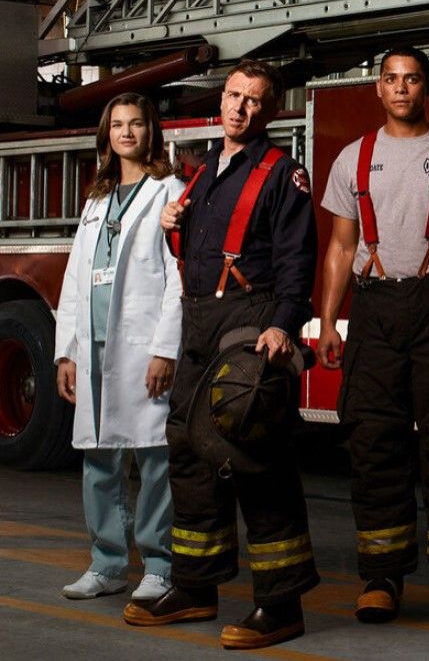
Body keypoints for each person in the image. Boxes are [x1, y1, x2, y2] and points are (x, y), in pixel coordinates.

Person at [126, 58, 320, 651]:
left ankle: (280, 603)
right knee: (187, 450)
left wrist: (284, 326)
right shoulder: (207, 170)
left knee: (254, 455)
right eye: (235, 95)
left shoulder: (282, 174)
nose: (241, 108)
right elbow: (199, 251)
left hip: (250, 323)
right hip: (198, 322)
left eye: (254, 100)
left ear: (270, 110)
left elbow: (297, 261)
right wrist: (169, 226)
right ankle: (195, 587)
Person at [316, 47, 429, 625]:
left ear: (428, 89)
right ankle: (382, 577)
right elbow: (341, 247)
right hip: (374, 310)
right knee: (373, 442)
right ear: (378, 89)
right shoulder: (352, 159)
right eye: (391, 80)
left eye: (411, 80)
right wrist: (326, 321)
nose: (401, 89)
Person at [53, 92, 182, 604]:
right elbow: (73, 279)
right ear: (107, 134)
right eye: (118, 125)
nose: (126, 133)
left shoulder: (170, 191)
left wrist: (165, 349)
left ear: (153, 131)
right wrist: (67, 351)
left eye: (137, 124)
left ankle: (159, 565)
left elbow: (178, 277)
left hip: (141, 343)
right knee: (99, 457)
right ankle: (107, 563)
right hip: (96, 342)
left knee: (154, 457)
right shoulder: (96, 198)